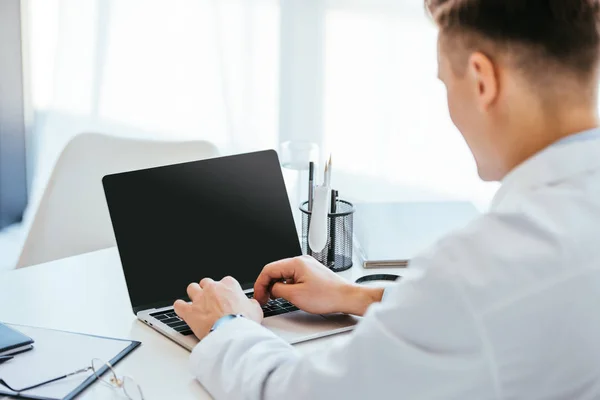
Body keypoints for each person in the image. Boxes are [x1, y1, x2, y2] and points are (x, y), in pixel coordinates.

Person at [174, 0, 600, 398]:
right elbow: (501, 319)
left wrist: (229, 325)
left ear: (482, 80)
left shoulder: (483, 268)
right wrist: (355, 296)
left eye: (445, 83)